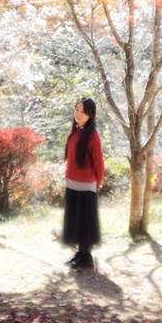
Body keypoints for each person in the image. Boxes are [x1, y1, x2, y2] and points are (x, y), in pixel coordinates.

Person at [62, 97, 104, 269]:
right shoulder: (75, 131)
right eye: (76, 110)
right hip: (71, 183)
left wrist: (98, 183)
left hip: (86, 185)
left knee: (85, 222)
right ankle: (79, 254)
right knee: (75, 221)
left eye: (82, 111)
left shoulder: (93, 135)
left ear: (90, 114)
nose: (78, 114)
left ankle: (86, 257)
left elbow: (99, 162)